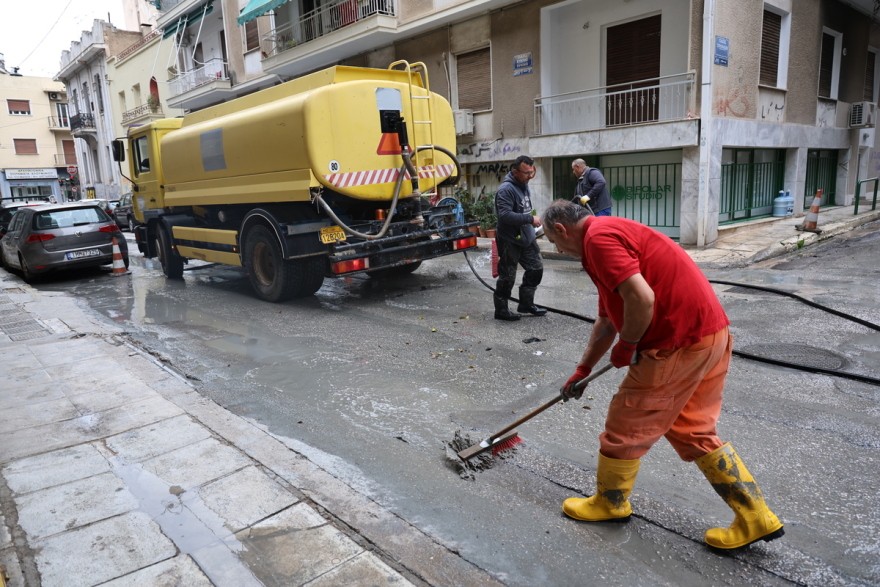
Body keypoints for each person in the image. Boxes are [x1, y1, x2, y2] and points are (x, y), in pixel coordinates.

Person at [540, 200, 784, 550]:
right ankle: (755, 517)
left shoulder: (598, 241)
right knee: (692, 429)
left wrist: (628, 345)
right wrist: (584, 368)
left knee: (626, 423)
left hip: (676, 343)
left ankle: (610, 502)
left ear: (562, 229)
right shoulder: (607, 236)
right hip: (708, 336)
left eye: (553, 241)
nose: (556, 248)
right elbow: (608, 319)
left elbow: (641, 298)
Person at [493, 155, 546, 321]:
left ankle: (526, 304)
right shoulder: (505, 190)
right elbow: (505, 215)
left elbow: (523, 210)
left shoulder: (524, 185)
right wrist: (530, 219)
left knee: (536, 268)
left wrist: (533, 231)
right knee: (508, 276)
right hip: (509, 239)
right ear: (515, 172)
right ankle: (501, 310)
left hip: (526, 237)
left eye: (532, 172)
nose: (530, 176)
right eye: (526, 173)